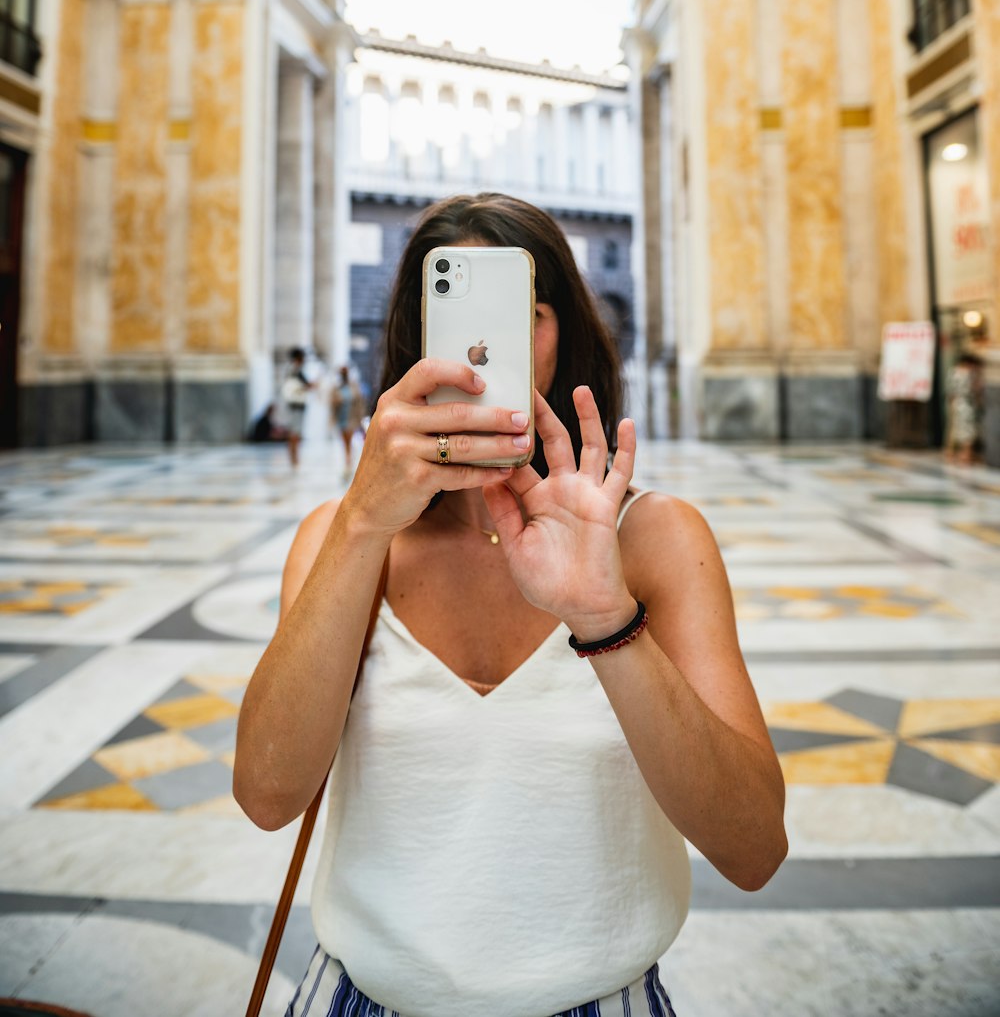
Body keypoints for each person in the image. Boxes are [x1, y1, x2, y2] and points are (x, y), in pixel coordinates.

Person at [235, 194, 787, 1017]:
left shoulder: (659, 538)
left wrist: (607, 619)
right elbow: (267, 795)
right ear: (414, 341)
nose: (487, 349)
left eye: (527, 313)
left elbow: (752, 849)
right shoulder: (342, 538)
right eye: (456, 317)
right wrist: (361, 521)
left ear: (565, 333)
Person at [280, 347, 316, 469]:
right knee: (295, 431)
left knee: (294, 431)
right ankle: (294, 458)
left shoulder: (289, 369)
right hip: (297, 405)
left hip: (294, 404)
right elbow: (305, 385)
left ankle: (294, 458)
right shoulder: (295, 369)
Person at [946, 350, 982, 464]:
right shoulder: (971, 373)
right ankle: (966, 455)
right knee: (968, 431)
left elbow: (950, 391)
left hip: (956, 403)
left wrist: (951, 404)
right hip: (968, 404)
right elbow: (975, 389)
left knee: (954, 429)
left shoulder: (953, 372)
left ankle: (951, 453)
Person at [330, 364, 365, 477]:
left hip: (351, 417)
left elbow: (359, 403)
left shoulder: (354, 386)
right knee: (344, 441)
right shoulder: (337, 388)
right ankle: (347, 460)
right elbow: (332, 404)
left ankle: (349, 461)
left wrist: (360, 418)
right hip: (341, 418)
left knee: (349, 440)